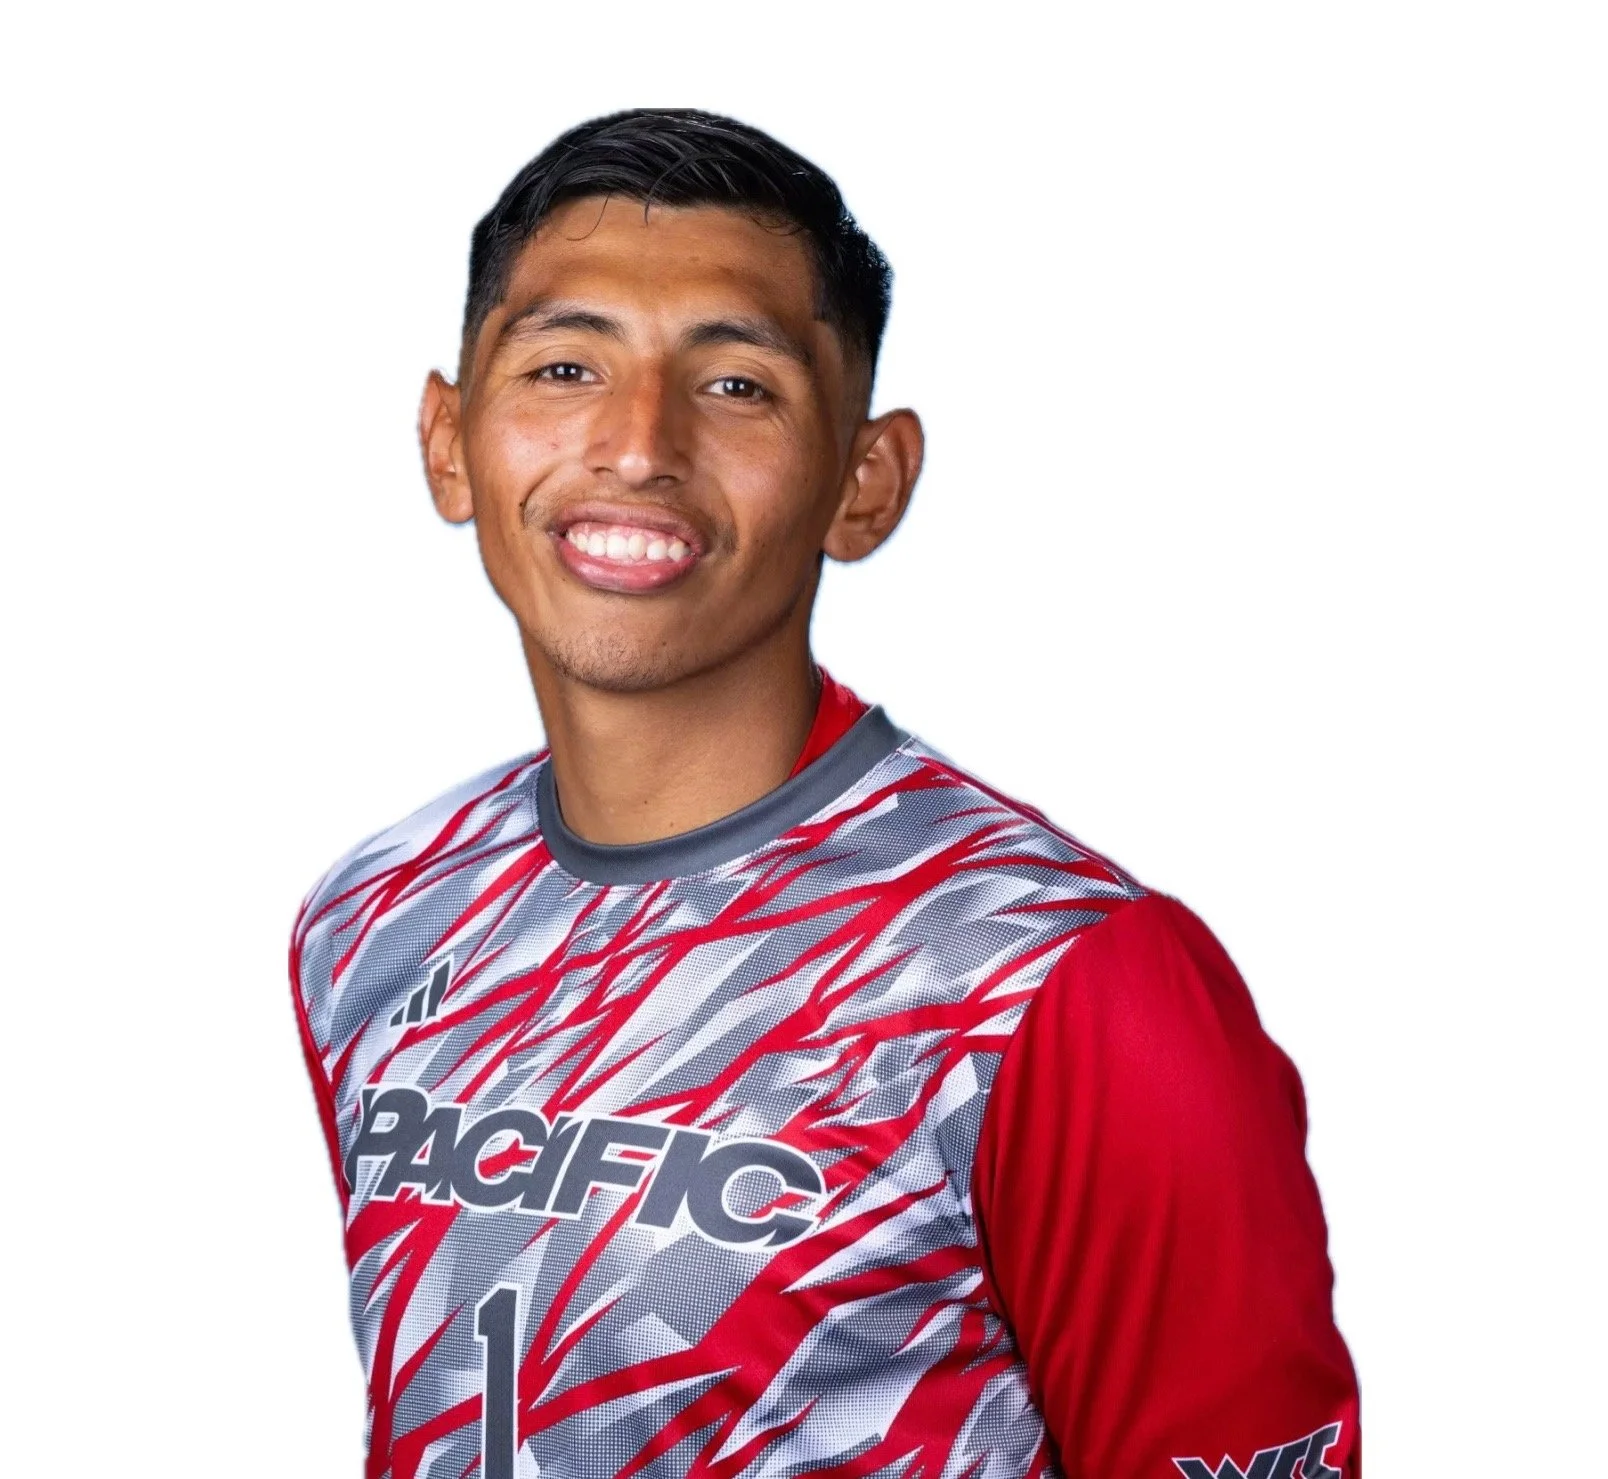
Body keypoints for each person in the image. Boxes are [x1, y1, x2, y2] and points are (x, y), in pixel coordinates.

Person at [289, 107, 1360, 1479]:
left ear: (866, 480)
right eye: (565, 365)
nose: (636, 444)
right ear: (450, 442)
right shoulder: (378, 918)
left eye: (737, 386)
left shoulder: (1065, 984)